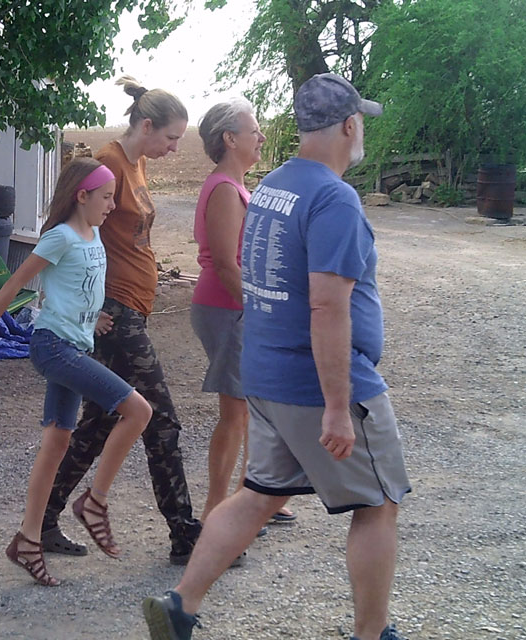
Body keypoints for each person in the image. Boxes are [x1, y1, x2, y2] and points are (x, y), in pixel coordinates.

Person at [142, 73, 411, 640]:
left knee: (259, 495)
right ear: (348, 125)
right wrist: (338, 406)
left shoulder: (273, 186)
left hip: (268, 375)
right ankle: (372, 634)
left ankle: (180, 605)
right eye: (360, 121)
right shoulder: (333, 198)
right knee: (378, 501)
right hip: (320, 383)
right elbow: (327, 306)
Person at [0, 158, 152, 586]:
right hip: (53, 347)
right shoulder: (60, 236)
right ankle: (95, 502)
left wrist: (92, 318)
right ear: (81, 196)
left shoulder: (93, 234)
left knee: (57, 442)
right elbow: (12, 285)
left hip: (74, 343)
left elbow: (75, 288)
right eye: (106, 197)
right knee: (139, 411)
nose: (112, 205)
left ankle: (28, 540)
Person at [40, 76, 203, 565]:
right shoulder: (108, 163)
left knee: (99, 421)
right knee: (160, 419)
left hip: (133, 308)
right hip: (115, 314)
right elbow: (67, 228)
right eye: (171, 137)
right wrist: (88, 308)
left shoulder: (137, 164)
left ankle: (41, 520)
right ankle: (184, 535)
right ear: (146, 126)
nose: (175, 148)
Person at [190, 99, 295, 526]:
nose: (262, 137)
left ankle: (254, 497)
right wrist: (260, 311)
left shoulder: (233, 186)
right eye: (255, 131)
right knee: (234, 414)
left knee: (252, 408)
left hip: (233, 306)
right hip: (227, 308)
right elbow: (225, 264)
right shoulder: (224, 189)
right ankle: (217, 514)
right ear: (230, 139)